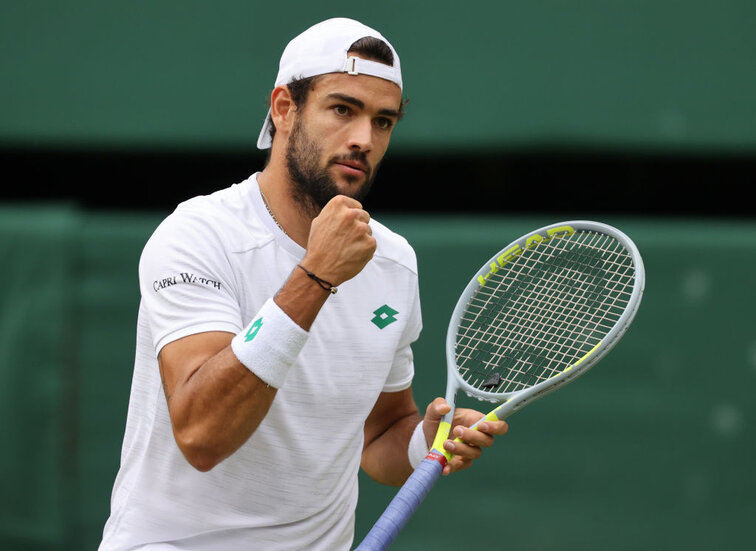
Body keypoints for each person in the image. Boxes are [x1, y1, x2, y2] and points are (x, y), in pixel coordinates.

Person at [99, 17, 508, 550]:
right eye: (343, 109)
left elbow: (380, 434)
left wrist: (425, 443)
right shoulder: (196, 236)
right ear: (284, 109)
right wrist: (316, 275)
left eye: (383, 122)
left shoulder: (394, 263)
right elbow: (203, 435)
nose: (363, 138)